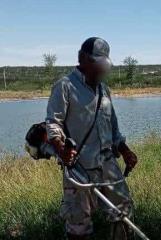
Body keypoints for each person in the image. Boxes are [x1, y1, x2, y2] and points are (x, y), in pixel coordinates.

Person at [46, 37, 138, 240]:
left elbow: (112, 126)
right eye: (96, 64)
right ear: (83, 59)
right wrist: (62, 149)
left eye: (103, 65)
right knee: (79, 222)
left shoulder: (104, 90)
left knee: (123, 212)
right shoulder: (65, 86)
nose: (100, 70)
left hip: (108, 164)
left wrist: (125, 150)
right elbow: (53, 123)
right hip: (80, 167)